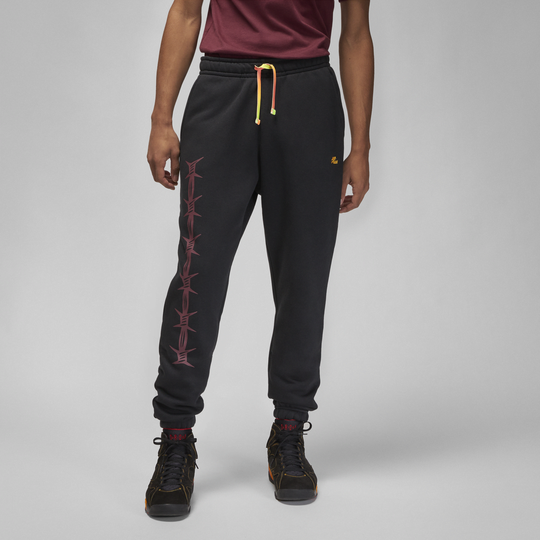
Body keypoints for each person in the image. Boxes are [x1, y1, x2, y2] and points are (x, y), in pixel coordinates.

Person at [145, 0, 373, 518]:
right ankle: (176, 437)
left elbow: (356, 33)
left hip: (308, 99)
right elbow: (186, 12)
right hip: (222, 92)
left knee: (304, 275)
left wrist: (360, 146)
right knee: (197, 273)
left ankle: (289, 429)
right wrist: (161, 118)